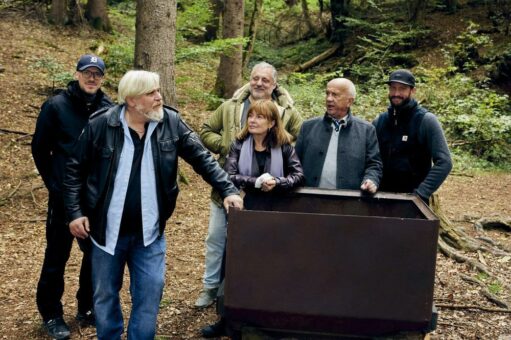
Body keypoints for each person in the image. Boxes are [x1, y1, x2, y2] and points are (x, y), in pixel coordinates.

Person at [63, 70, 243, 340]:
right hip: (105, 233)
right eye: (152, 93)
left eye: (158, 91)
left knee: (149, 295)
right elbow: (73, 170)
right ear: (132, 100)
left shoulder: (170, 122)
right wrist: (75, 213)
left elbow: (202, 158)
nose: (160, 97)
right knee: (104, 296)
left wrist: (227, 189)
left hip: (149, 234)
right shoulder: (102, 124)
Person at [196, 62, 303, 308]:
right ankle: (211, 287)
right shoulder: (230, 107)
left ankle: (253, 290)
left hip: (269, 196)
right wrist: (227, 145)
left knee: (259, 242)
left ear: (274, 84)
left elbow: (300, 138)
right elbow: (205, 131)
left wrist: (279, 152)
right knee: (216, 238)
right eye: (255, 78)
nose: (258, 83)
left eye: (265, 80)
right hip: (228, 187)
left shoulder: (288, 112)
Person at [31, 54, 113, 339]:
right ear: (77, 74)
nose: (92, 78)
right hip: (63, 197)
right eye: (87, 73)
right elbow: (40, 149)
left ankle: (87, 308)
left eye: (97, 74)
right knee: (57, 255)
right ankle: (51, 314)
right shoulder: (56, 106)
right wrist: (55, 185)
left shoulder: (108, 108)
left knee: (94, 256)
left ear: (102, 78)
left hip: (95, 199)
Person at [372, 69, 452, 202]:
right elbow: (370, 159)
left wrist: (421, 194)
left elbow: (444, 162)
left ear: (412, 91)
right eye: (393, 88)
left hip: (414, 203)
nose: (396, 93)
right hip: (381, 198)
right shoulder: (380, 121)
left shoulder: (426, 121)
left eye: (402, 89)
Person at [295, 78, 382, 193]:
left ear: (349, 101)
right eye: (327, 93)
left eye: (335, 95)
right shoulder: (308, 127)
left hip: (349, 201)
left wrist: (371, 180)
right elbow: (294, 163)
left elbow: (374, 164)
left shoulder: (366, 130)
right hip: (310, 198)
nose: (329, 99)